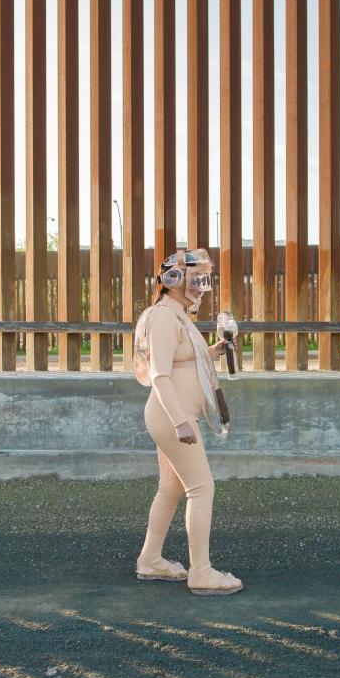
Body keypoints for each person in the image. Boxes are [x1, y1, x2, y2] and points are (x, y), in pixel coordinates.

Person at [132, 248, 243, 596]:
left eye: (205, 279)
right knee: (201, 487)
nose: (201, 286)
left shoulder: (178, 316)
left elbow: (183, 359)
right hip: (172, 416)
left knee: (171, 488)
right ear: (173, 279)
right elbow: (160, 374)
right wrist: (180, 422)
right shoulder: (164, 317)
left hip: (174, 415)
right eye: (196, 279)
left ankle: (150, 560)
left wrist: (214, 352)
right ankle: (202, 572)